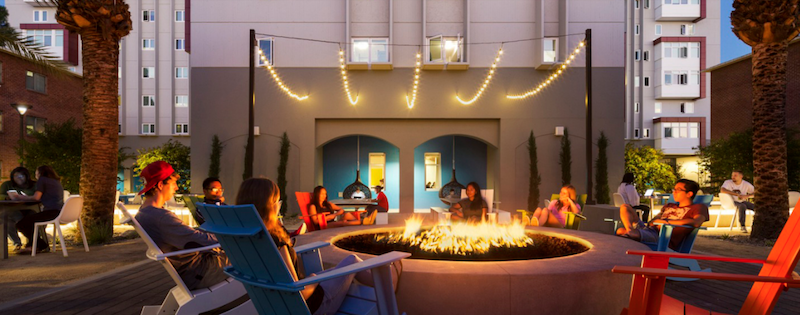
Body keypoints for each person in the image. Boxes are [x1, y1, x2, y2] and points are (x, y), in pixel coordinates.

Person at [237, 178, 394, 314]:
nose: (279, 205)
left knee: (344, 271)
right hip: (311, 306)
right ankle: (388, 287)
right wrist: (313, 279)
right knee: (352, 261)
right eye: (278, 201)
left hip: (275, 306)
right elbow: (298, 292)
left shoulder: (245, 238)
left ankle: (384, 285)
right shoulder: (276, 239)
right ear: (269, 206)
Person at [134, 161, 230, 290]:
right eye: (174, 183)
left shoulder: (143, 212)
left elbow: (189, 237)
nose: (176, 188)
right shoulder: (161, 217)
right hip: (200, 271)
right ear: (161, 185)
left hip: (192, 268)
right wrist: (231, 238)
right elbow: (199, 241)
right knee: (248, 257)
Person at [616, 179, 709, 251]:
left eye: (678, 190)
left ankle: (630, 236)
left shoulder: (699, 207)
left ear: (689, 194)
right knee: (625, 207)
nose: (674, 192)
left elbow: (697, 222)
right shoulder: (669, 205)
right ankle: (630, 230)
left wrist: (666, 222)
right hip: (650, 230)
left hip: (662, 238)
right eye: (674, 189)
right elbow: (654, 220)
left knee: (621, 232)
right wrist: (655, 221)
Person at [13, 165, 65, 254]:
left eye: (36, 173)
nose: (36, 175)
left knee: (21, 224)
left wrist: (21, 197)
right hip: (60, 211)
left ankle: (41, 244)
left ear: (40, 173)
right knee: (30, 220)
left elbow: (36, 197)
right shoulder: (56, 181)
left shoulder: (42, 180)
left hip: (51, 212)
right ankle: (32, 246)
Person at [0, 167, 37, 250]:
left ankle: (32, 242)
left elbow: (37, 196)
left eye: (21, 176)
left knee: (31, 217)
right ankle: (16, 242)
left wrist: (25, 197)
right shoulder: (7, 184)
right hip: (12, 209)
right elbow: (0, 195)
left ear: (26, 176)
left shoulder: (34, 185)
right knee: (4, 217)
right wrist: (7, 197)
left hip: (30, 208)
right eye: (15, 176)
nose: (18, 178)